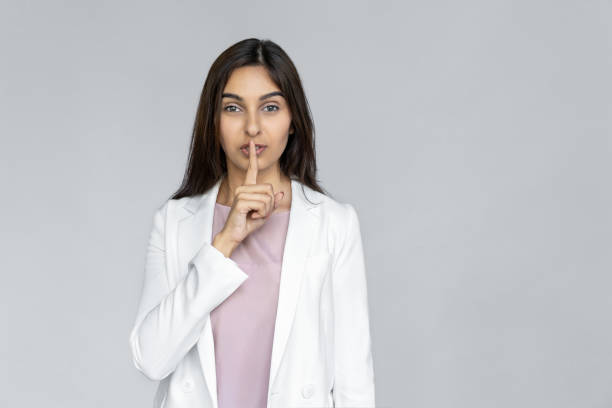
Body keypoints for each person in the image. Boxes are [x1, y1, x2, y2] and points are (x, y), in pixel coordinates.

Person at [129, 38, 375, 408]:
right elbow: (151, 359)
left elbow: (354, 378)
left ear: (293, 122)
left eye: (271, 107)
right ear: (213, 122)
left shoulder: (334, 224)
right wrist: (224, 242)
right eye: (233, 108)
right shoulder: (175, 222)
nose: (253, 127)